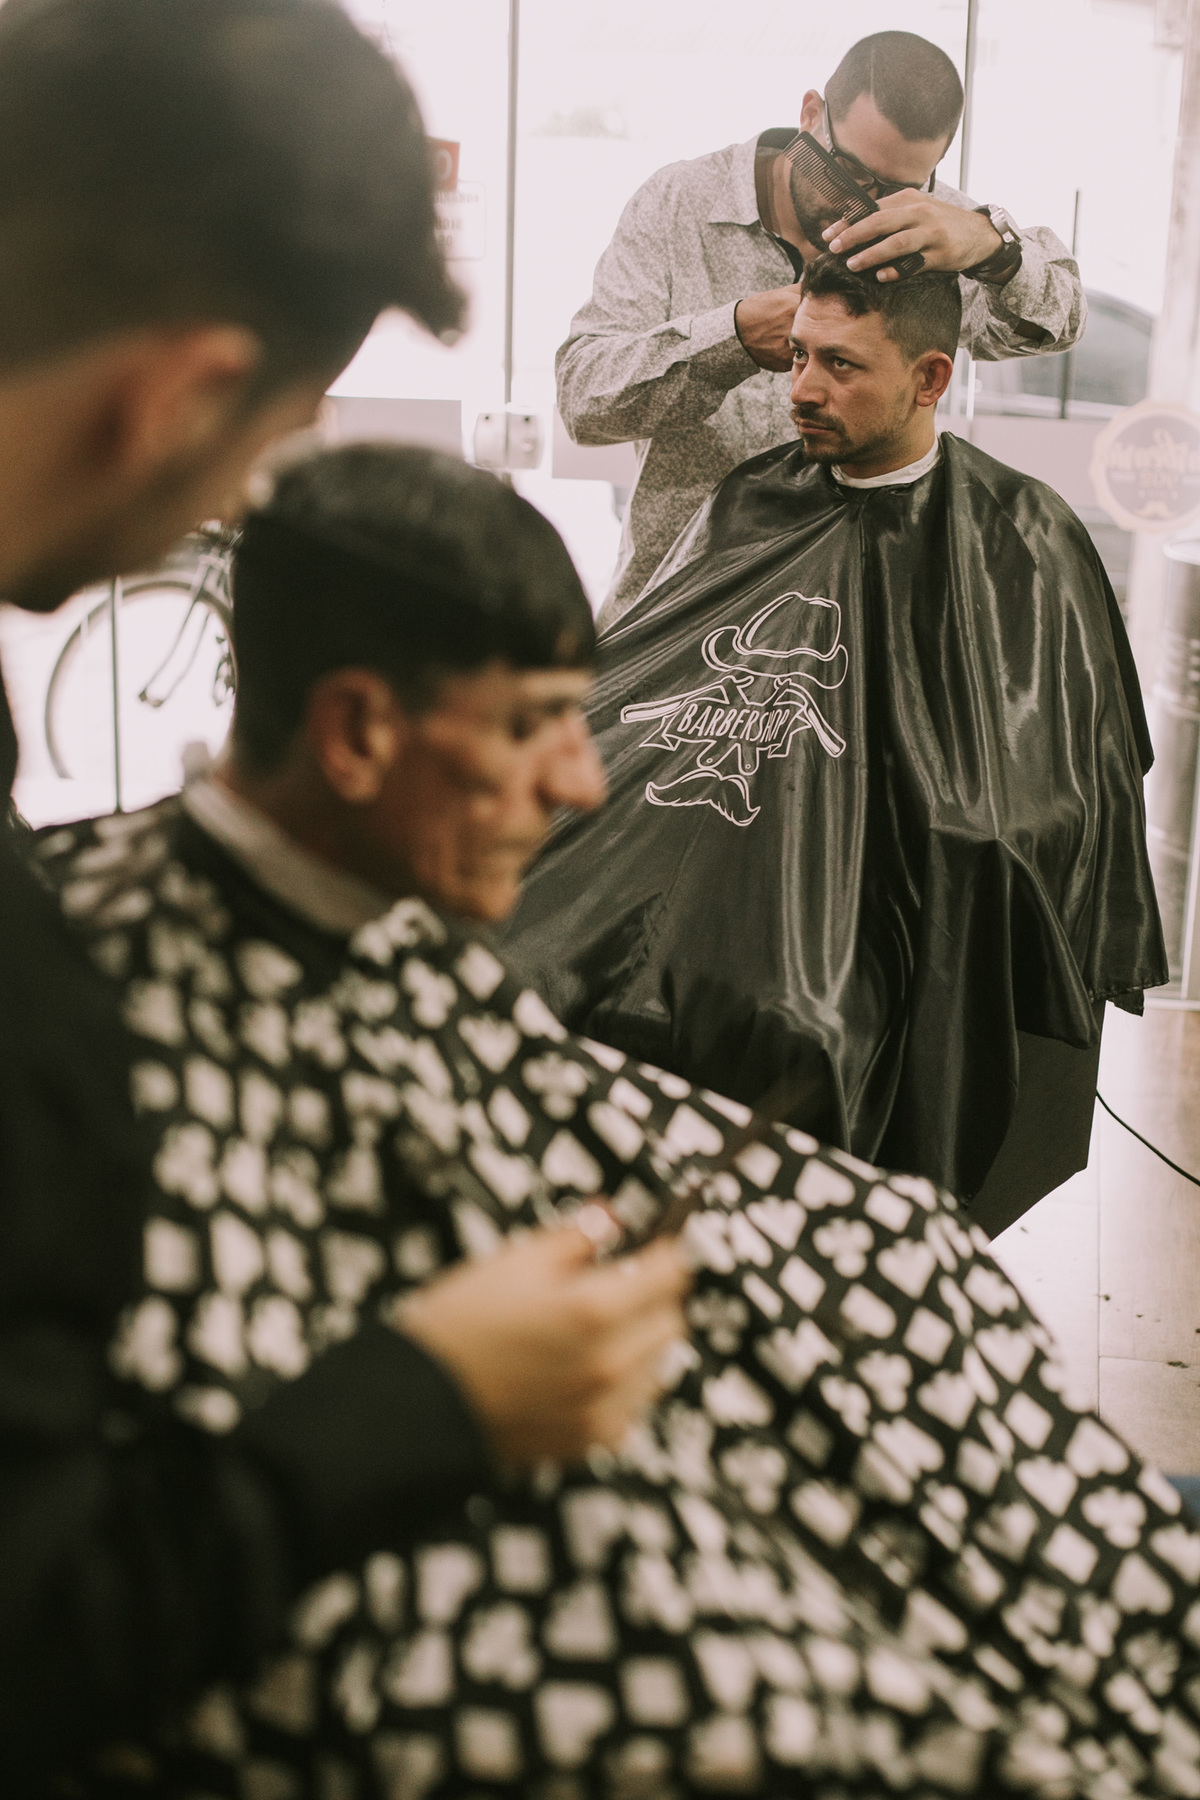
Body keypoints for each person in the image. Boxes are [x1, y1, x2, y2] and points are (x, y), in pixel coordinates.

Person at [36, 442, 1200, 1799]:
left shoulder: (369, 924)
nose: (583, 782)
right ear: (356, 735)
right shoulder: (87, 1010)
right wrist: (433, 1388)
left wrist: (878, 1239)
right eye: (532, 726)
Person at [0, 0, 687, 1786]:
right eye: (268, 437)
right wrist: (421, 1401)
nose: (247, 497)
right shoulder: (61, 1007)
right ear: (177, 395)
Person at [506, 256, 1165, 1240]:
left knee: (801, 1026)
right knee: (525, 944)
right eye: (799, 357)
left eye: (842, 365)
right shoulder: (754, 497)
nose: (803, 390)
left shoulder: (1020, 535)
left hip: (858, 913)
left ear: (930, 378)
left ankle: (826, 1255)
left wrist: (937, 821)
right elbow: (634, 686)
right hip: (704, 858)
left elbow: (1065, 784)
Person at [557, 30, 1086, 627]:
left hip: (854, 617)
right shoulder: (679, 204)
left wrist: (993, 246)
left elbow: (1060, 321)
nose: (862, 206)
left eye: (898, 188)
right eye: (850, 173)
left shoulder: (925, 227)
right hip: (683, 603)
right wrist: (730, 339)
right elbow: (584, 399)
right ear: (811, 116)